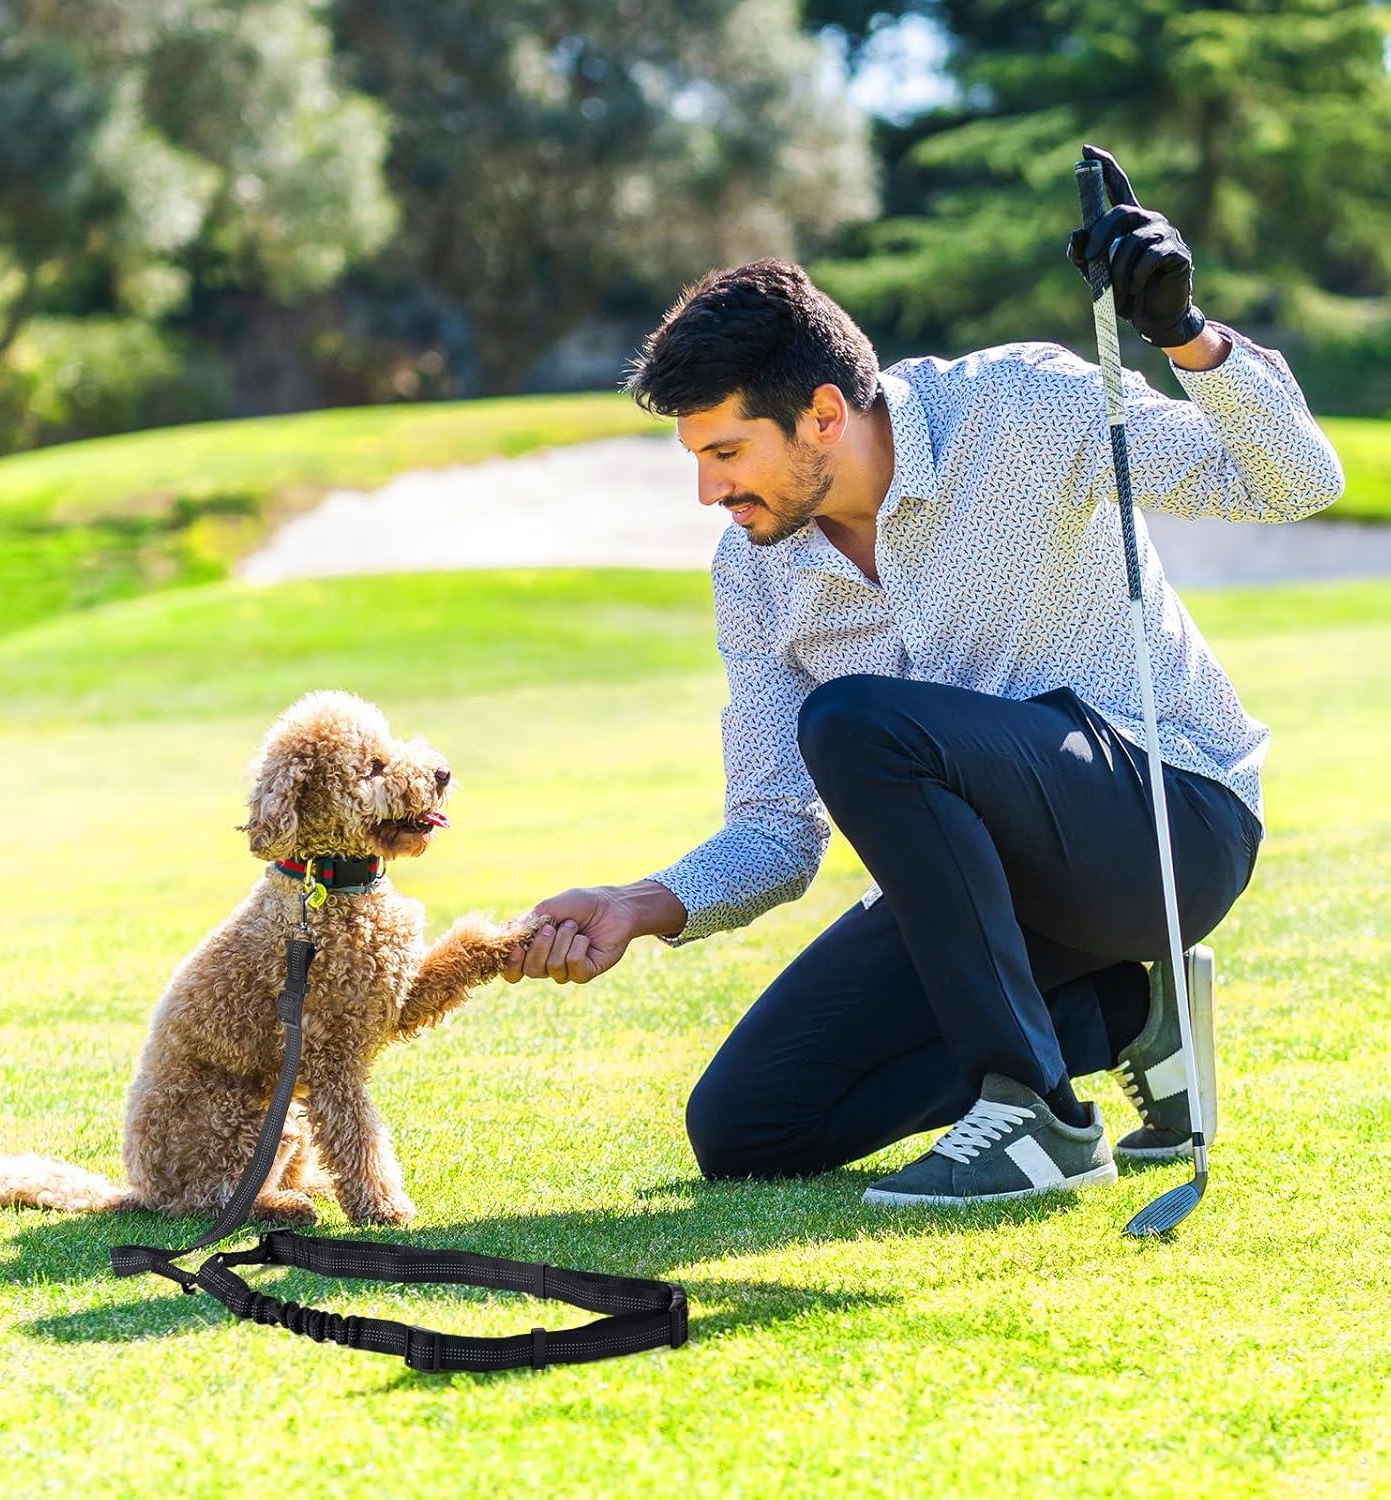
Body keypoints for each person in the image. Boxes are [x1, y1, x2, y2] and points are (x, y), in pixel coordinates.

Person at [500, 145, 1343, 1208]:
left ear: (823, 414)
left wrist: (1186, 335)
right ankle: (1127, 1016)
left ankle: (1037, 1114)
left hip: (1171, 828)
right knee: (749, 1125)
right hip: (993, 902)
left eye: (726, 453)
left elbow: (1296, 482)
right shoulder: (754, 572)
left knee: (856, 721)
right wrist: (639, 904)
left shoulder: (1022, 408)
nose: (709, 493)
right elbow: (776, 829)